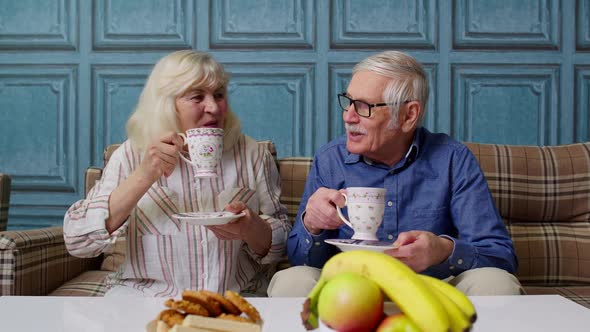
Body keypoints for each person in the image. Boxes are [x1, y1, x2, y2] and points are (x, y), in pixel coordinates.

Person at [267, 50, 523, 297]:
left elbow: (500, 256)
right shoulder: (330, 159)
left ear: (409, 115)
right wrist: (311, 225)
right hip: (349, 292)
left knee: (495, 282)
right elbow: (301, 260)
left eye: (364, 106)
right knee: (292, 281)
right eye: (348, 102)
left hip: (432, 291)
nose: (348, 116)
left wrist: (443, 250)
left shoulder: (453, 159)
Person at [64, 50, 290, 297]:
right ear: (167, 105)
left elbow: (284, 245)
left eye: (219, 95)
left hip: (234, 299)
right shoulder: (132, 154)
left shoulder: (252, 154)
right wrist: (144, 175)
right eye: (197, 97)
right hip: (146, 299)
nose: (213, 107)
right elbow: (77, 241)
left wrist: (251, 228)